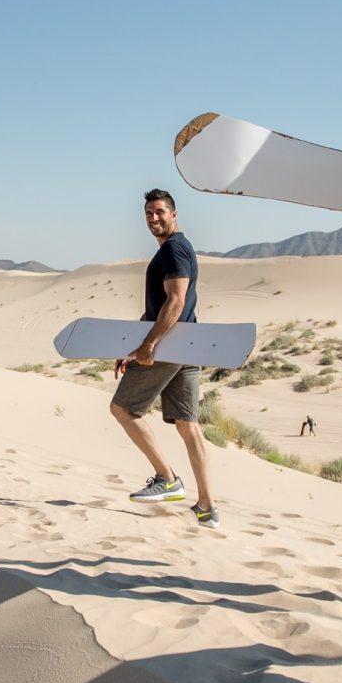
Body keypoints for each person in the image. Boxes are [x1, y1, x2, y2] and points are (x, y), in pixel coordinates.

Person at [110, 189, 218, 527]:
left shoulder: (174, 249)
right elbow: (158, 307)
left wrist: (149, 345)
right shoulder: (173, 249)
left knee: (123, 408)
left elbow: (175, 301)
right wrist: (132, 345)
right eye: (148, 213)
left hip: (170, 344)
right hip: (187, 343)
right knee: (188, 426)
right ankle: (206, 507)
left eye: (159, 212)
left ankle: (166, 478)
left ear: (174, 214)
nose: (153, 218)